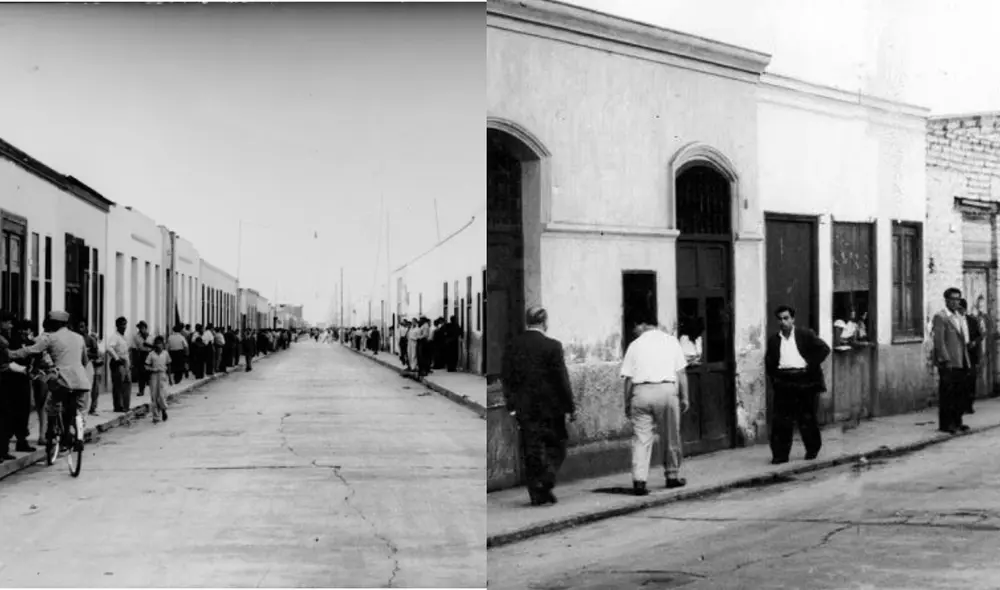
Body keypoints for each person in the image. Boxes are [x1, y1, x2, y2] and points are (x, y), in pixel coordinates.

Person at [501, 306, 575, 506]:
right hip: (552, 408)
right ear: (545, 322)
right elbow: (561, 379)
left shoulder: (513, 345)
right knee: (557, 445)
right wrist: (570, 406)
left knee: (531, 448)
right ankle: (547, 479)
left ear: (527, 322)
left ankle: (536, 492)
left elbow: (506, 377)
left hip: (525, 408)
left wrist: (512, 404)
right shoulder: (553, 346)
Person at [620, 315, 690, 495]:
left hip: (641, 392)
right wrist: (685, 397)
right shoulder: (671, 342)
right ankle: (672, 475)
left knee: (641, 438)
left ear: (642, 325)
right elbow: (681, 373)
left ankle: (639, 480)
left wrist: (627, 401)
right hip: (666, 391)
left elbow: (628, 379)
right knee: (670, 435)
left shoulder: (634, 345)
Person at [9, 310, 91, 451]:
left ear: (55, 323)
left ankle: (50, 432)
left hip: (62, 380)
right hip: (81, 381)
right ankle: (78, 435)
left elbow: (31, 350)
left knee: (51, 404)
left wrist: (11, 353)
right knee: (79, 409)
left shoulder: (50, 338)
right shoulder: (79, 338)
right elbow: (85, 360)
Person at [764, 304, 831, 464]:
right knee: (781, 420)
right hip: (784, 382)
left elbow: (824, 349)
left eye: (786, 318)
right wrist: (776, 380)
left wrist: (810, 365)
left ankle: (812, 449)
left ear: (793, 319)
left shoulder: (804, 335)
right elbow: (770, 363)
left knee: (806, 418)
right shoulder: (774, 340)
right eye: (780, 319)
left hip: (803, 380)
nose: (783, 322)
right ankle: (780, 455)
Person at [933, 288, 971, 434]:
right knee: (947, 394)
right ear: (946, 300)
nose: (956, 302)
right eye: (953, 299)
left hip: (961, 359)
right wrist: (945, 359)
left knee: (959, 393)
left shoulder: (959, 316)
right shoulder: (941, 317)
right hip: (949, 361)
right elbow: (939, 341)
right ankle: (946, 424)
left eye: (958, 299)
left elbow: (964, 338)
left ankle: (957, 421)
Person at [0, 312, 34, 460]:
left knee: (19, 412)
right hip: (8, 381)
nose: (10, 325)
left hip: (18, 379)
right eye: (7, 322)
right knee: (6, 414)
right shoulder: (5, 341)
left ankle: (14, 443)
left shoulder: (12, 339)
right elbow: (6, 362)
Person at [960, 298, 984, 415]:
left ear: (965, 309)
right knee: (960, 380)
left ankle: (969, 405)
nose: (959, 311)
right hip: (959, 355)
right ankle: (960, 405)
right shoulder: (953, 320)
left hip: (971, 354)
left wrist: (974, 342)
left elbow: (980, 336)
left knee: (971, 381)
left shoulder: (972, 321)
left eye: (961, 309)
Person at [106, 316, 132, 412]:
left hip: (126, 363)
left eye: (125, 324)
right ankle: (118, 406)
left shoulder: (124, 337)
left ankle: (126, 405)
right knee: (118, 385)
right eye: (122, 325)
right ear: (117, 326)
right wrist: (116, 358)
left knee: (127, 384)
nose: (124, 327)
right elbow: (109, 348)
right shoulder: (115, 337)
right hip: (118, 363)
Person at [144, 336, 171, 424]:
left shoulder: (165, 353)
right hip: (154, 375)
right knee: (154, 396)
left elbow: (169, 364)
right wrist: (151, 370)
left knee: (162, 395)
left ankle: (163, 409)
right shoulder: (151, 354)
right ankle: (155, 416)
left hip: (162, 375)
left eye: (160, 343)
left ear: (163, 344)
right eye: (157, 343)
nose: (158, 345)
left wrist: (170, 378)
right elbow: (146, 365)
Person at [131, 320, 153, 397]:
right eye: (140, 328)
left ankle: (153, 390)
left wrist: (149, 345)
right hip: (141, 354)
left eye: (143, 328)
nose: (141, 329)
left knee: (150, 373)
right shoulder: (136, 336)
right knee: (141, 374)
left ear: (146, 328)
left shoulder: (151, 336)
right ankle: (141, 390)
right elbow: (134, 348)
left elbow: (154, 347)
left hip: (150, 354)